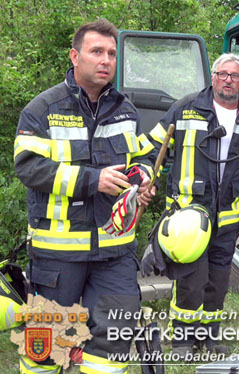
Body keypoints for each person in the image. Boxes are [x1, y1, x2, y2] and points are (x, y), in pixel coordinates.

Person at [14, 19, 155, 373]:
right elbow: (29, 167)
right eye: (97, 52)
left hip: (115, 254)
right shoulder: (43, 109)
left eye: (111, 53)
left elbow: (143, 159)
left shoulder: (127, 111)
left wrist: (143, 182)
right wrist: (92, 180)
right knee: (44, 348)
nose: (106, 60)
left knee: (114, 338)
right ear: (75, 56)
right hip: (57, 258)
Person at [141, 53, 239, 354]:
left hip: (227, 217)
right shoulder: (186, 108)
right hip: (188, 217)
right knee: (190, 280)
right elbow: (153, 148)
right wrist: (145, 177)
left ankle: (209, 337)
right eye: (223, 74)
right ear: (213, 77)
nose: (228, 80)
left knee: (218, 281)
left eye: (235, 75)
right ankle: (183, 341)